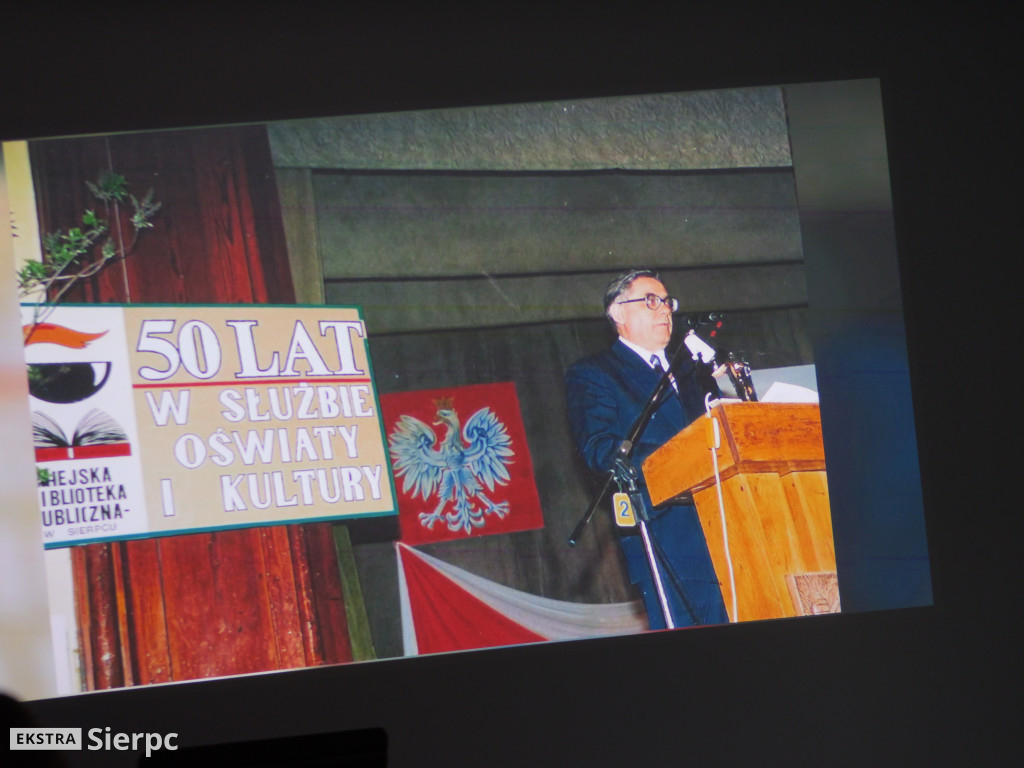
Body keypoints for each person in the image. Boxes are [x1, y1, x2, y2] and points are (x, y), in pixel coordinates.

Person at [565, 269, 728, 629]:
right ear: (618, 314)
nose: (665, 310)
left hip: (733, 530)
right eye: (651, 301)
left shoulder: (695, 374)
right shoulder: (595, 373)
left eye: (667, 302)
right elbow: (599, 448)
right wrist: (686, 455)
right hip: (670, 538)